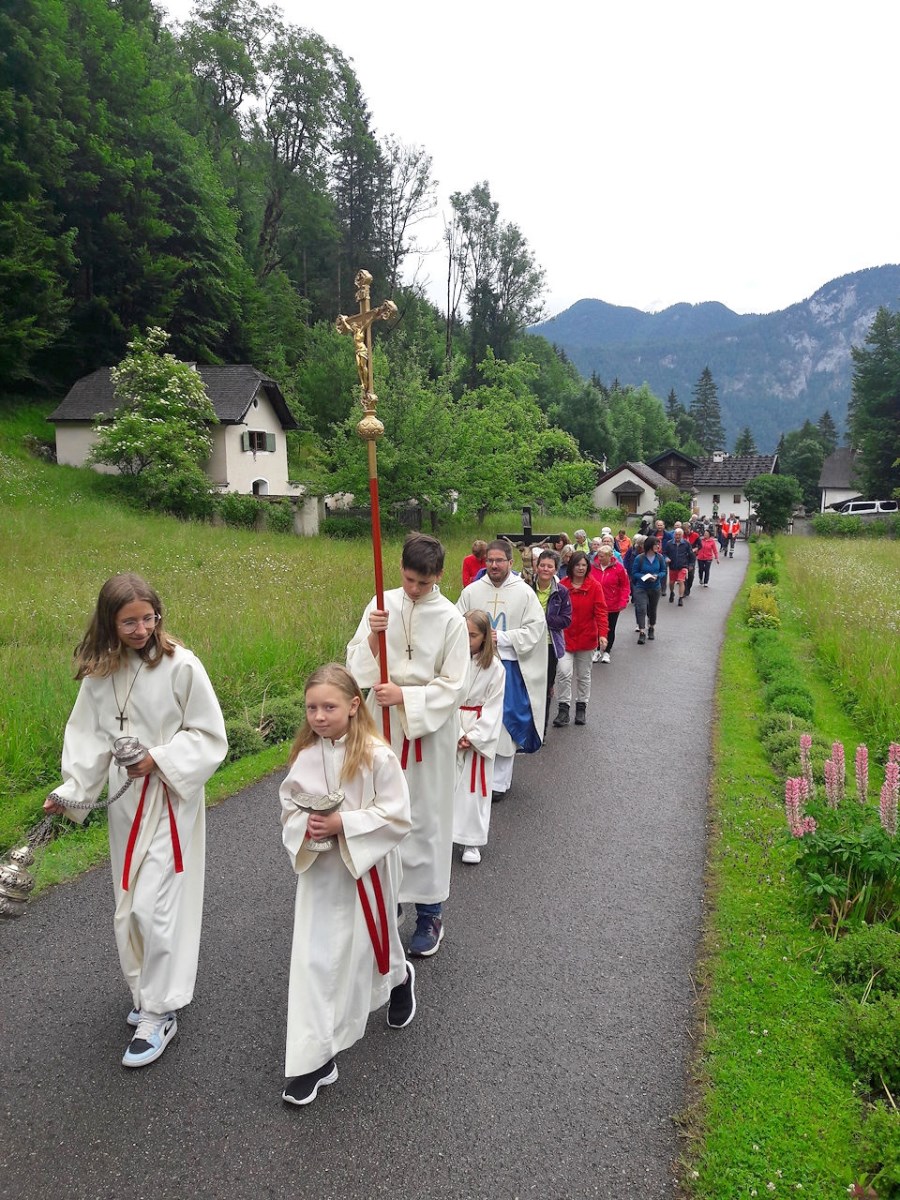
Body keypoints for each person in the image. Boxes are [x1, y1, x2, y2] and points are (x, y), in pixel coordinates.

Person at [43, 573, 227, 1069]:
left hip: (169, 800)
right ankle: (147, 992)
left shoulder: (181, 666)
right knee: (128, 907)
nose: (142, 628)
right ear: (109, 622)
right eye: (129, 621)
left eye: (149, 617)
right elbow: (86, 739)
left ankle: (162, 1011)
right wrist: (70, 792)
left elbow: (210, 736)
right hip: (126, 807)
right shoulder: (101, 673)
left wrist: (160, 759)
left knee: (156, 905)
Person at [279, 664, 413, 1107]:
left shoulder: (377, 755)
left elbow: (396, 816)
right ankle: (316, 1059)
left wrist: (345, 824)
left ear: (354, 706)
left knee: (365, 948)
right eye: (311, 708)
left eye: (329, 707)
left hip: (366, 868)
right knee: (317, 960)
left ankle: (398, 976)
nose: (319, 716)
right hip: (321, 874)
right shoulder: (304, 755)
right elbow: (290, 805)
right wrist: (307, 826)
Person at [346, 533, 468, 959]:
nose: (414, 589)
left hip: (428, 733)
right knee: (382, 809)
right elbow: (356, 667)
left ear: (438, 576)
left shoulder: (451, 618)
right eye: (408, 578)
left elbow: (455, 683)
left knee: (427, 817)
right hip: (381, 726)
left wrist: (408, 698)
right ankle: (391, 899)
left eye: (423, 582)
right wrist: (372, 637)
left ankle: (430, 912)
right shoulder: (380, 605)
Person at [457, 540, 548, 799]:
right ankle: (471, 774)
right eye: (490, 561)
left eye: (499, 561)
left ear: (511, 562)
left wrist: (501, 637)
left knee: (506, 724)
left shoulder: (525, 593)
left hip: (510, 666)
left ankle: (499, 781)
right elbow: (455, 624)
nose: (494, 565)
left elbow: (535, 630)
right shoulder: (472, 592)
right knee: (476, 718)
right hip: (475, 666)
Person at [452, 612, 507, 865]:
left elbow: (494, 707)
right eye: (464, 633)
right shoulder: (451, 660)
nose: (467, 639)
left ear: (485, 637)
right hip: (452, 724)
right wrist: (455, 733)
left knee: (473, 788)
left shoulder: (495, 668)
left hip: (477, 729)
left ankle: (471, 841)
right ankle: (444, 836)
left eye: (473, 635)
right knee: (447, 786)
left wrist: (472, 737)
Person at [553, 552, 608, 727]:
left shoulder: (595, 586)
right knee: (563, 673)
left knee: (584, 675)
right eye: (577, 565)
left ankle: (581, 707)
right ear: (571, 566)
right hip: (565, 638)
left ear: (588, 567)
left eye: (584, 565)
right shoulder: (561, 586)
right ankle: (563, 709)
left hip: (586, 638)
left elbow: (600, 611)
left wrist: (603, 634)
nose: (580, 568)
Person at [531, 549, 572, 734]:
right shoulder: (526, 587)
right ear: (536, 566)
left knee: (545, 689)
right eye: (542, 565)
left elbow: (566, 619)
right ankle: (525, 730)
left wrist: (543, 619)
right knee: (525, 687)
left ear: (556, 570)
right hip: (527, 644)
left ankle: (541, 731)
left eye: (549, 566)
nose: (545, 569)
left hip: (549, 645)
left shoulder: (561, 591)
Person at [590, 545, 630, 662]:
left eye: (602, 556)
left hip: (612, 604)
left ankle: (607, 651)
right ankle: (597, 650)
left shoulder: (618, 568)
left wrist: (623, 601)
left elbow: (624, 585)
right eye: (599, 556)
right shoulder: (593, 566)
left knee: (610, 628)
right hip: (596, 603)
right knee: (596, 627)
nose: (599, 558)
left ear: (609, 556)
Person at [631, 535, 667, 644]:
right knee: (641, 608)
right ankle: (642, 632)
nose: (657, 546)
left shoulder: (660, 557)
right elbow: (634, 573)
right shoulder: (640, 558)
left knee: (652, 609)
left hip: (655, 587)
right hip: (641, 587)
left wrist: (657, 576)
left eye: (658, 544)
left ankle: (651, 627)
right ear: (649, 545)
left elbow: (663, 571)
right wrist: (643, 576)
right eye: (655, 544)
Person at [665, 526, 694, 607]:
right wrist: (666, 558)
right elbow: (664, 553)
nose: (677, 536)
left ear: (682, 535)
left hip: (683, 566)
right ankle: (672, 592)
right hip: (673, 566)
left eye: (679, 535)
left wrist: (691, 564)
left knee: (681, 581)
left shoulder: (686, 544)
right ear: (674, 535)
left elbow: (691, 555)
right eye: (676, 535)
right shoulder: (669, 543)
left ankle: (680, 598)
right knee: (671, 583)